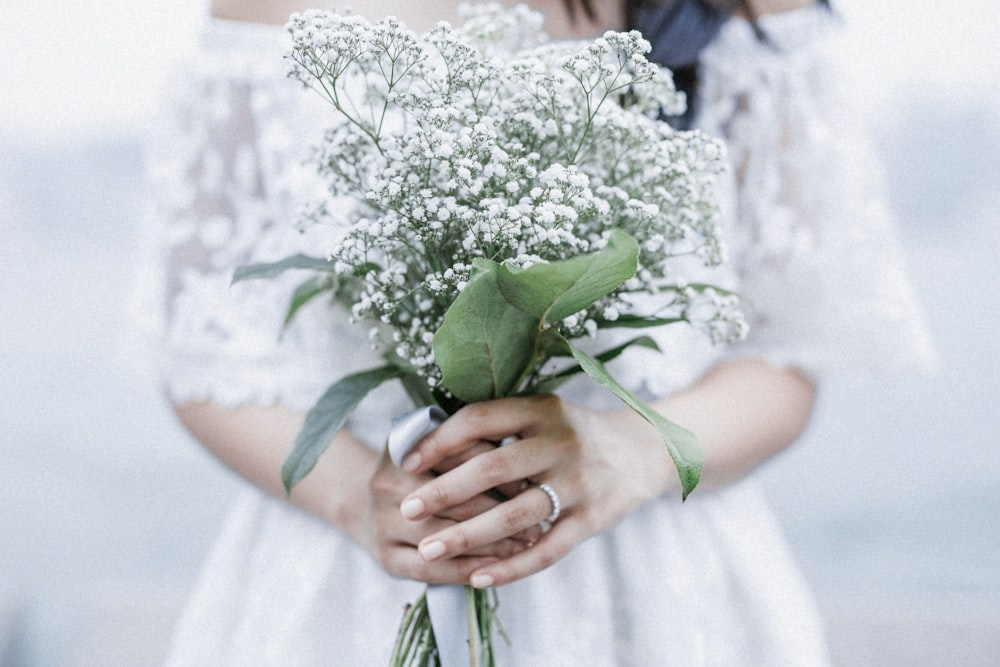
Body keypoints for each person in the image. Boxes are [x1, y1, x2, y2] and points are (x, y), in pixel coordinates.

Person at [136, 0, 932, 664]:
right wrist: (357, 495)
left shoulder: (749, 13)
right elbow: (205, 351)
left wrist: (631, 452)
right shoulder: (263, 13)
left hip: (656, 581)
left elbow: (786, 355)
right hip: (355, 579)